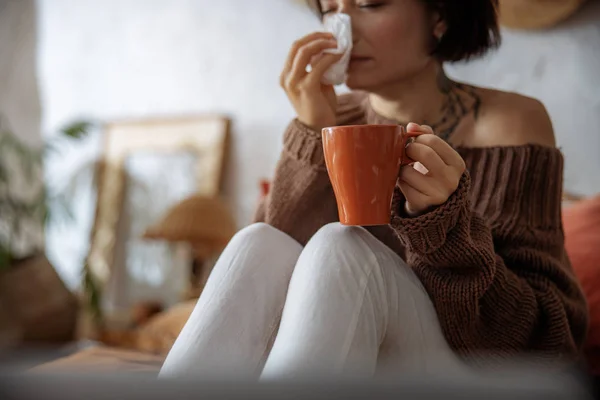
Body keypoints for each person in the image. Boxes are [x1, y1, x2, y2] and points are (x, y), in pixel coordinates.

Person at [159, 0, 588, 380]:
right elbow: (274, 272)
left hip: (470, 371)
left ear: (438, 15)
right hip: (353, 364)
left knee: (342, 246)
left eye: (369, 4)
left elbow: (548, 344)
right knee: (257, 240)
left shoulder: (509, 123)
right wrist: (312, 134)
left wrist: (443, 227)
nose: (341, 29)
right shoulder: (330, 114)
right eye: (329, 8)